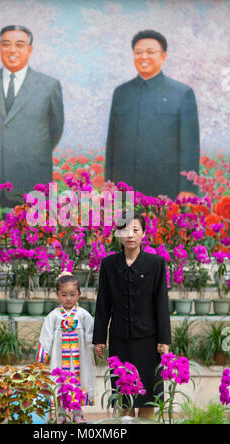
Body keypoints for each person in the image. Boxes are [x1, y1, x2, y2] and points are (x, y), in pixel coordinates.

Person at [0, 25, 64, 207]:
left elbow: (55, 129)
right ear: (0, 48)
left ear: (30, 49)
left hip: (32, 178)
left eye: (19, 44)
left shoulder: (49, 85)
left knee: (34, 235)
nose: (12, 50)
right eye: (6, 44)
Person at [93, 212, 171, 419]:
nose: (130, 235)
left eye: (135, 229)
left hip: (148, 341)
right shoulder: (109, 265)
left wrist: (164, 339)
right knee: (123, 395)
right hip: (119, 340)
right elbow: (103, 304)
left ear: (143, 233)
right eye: (125, 230)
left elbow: (161, 303)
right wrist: (99, 339)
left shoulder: (156, 264)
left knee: (148, 396)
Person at [105, 29, 200, 200]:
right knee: (124, 228)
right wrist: (108, 185)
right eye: (138, 52)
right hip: (124, 190)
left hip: (165, 189)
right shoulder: (121, 93)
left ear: (163, 56)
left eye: (150, 52)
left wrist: (188, 188)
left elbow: (190, 147)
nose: (143, 57)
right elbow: (112, 143)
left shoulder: (182, 93)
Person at [35, 271, 95, 424]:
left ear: (79, 294)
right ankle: (60, 414)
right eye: (64, 294)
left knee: (78, 382)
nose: (68, 298)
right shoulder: (54, 316)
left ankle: (77, 414)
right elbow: (46, 335)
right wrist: (43, 356)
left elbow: (92, 334)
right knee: (60, 382)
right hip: (60, 358)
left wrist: (96, 345)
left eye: (72, 294)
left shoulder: (83, 315)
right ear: (57, 294)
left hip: (78, 359)